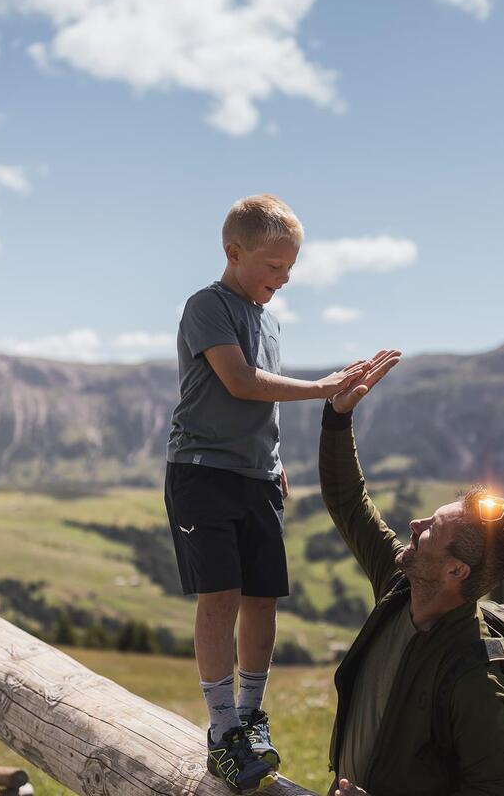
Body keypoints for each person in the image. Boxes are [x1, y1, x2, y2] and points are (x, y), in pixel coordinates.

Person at [164, 193, 370, 793]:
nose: (282, 279)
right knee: (220, 598)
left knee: (262, 599)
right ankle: (222, 731)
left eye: (289, 269)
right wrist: (323, 386)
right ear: (234, 253)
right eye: (273, 267)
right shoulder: (207, 305)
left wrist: (274, 460)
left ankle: (252, 717)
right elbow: (241, 382)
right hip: (202, 472)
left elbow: (262, 410)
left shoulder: (269, 319)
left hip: (257, 477)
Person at [318, 349, 504, 796]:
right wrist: (337, 417)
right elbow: (349, 502)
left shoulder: (476, 680)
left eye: (431, 530)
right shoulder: (400, 586)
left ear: (455, 570)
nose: (415, 525)